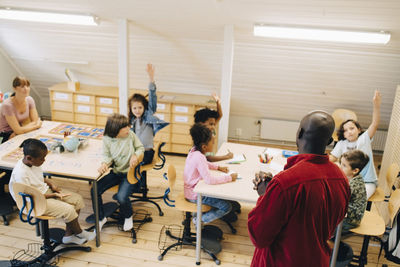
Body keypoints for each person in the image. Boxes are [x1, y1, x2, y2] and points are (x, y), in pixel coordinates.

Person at [248, 111, 351, 267]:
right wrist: (274, 193)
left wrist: (265, 195)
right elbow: (329, 226)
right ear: (330, 141)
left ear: (299, 133)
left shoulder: (285, 183)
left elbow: (259, 236)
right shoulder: (342, 180)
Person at [9, 138, 95, 245]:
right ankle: (80, 232)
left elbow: (38, 177)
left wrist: (51, 184)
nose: (44, 161)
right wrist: (53, 195)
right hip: (34, 202)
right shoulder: (20, 174)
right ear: (29, 158)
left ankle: (69, 236)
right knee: (68, 209)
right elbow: (31, 196)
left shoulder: (32, 163)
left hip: (44, 192)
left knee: (77, 199)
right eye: (42, 159)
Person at [93, 113, 144, 232]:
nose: (129, 128)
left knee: (121, 197)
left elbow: (140, 148)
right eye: (125, 127)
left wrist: (135, 156)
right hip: (116, 172)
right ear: (116, 130)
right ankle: (100, 218)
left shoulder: (130, 135)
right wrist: (104, 164)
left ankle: (128, 216)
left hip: (129, 174)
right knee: (95, 189)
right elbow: (106, 155)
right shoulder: (107, 138)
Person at [329, 90, 381, 199]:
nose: (349, 132)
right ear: (343, 134)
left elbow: (375, 124)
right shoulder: (341, 143)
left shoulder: (364, 139)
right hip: (348, 179)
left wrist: (376, 105)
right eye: (346, 130)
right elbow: (332, 158)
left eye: (352, 128)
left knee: (356, 201)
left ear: (359, 130)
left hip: (367, 181)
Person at [184, 123, 237, 224]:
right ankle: (199, 220)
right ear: (204, 146)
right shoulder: (199, 157)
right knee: (226, 207)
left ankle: (202, 215)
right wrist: (229, 178)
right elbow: (209, 180)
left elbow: (205, 163)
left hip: (190, 191)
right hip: (195, 195)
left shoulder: (194, 151)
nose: (213, 144)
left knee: (220, 196)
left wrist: (218, 167)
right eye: (212, 143)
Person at [128, 64, 169, 165]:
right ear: (131, 109)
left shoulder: (148, 115)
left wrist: (151, 78)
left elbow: (152, 96)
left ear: (144, 108)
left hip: (147, 153)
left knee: (133, 165)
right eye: (134, 108)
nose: (137, 110)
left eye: (140, 108)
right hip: (137, 152)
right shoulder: (132, 121)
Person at [0, 77, 42, 143]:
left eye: (27, 86)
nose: (26, 89)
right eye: (22, 86)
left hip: (20, 129)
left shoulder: (29, 100)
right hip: (6, 134)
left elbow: (35, 120)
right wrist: (36, 126)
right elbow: (19, 130)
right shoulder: (7, 105)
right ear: (14, 88)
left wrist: (22, 129)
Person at [193, 94, 233, 162]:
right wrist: (226, 157)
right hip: (204, 164)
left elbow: (220, 115)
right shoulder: (201, 137)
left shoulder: (210, 129)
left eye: (214, 124)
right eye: (211, 124)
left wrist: (218, 102)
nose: (213, 126)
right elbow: (209, 158)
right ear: (201, 124)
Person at [339, 150, 369, 233]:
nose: (340, 167)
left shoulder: (354, 184)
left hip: (350, 220)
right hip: (347, 215)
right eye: (341, 163)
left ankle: (341, 246)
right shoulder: (352, 177)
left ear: (355, 170)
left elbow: (338, 200)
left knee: (324, 229)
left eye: (344, 165)